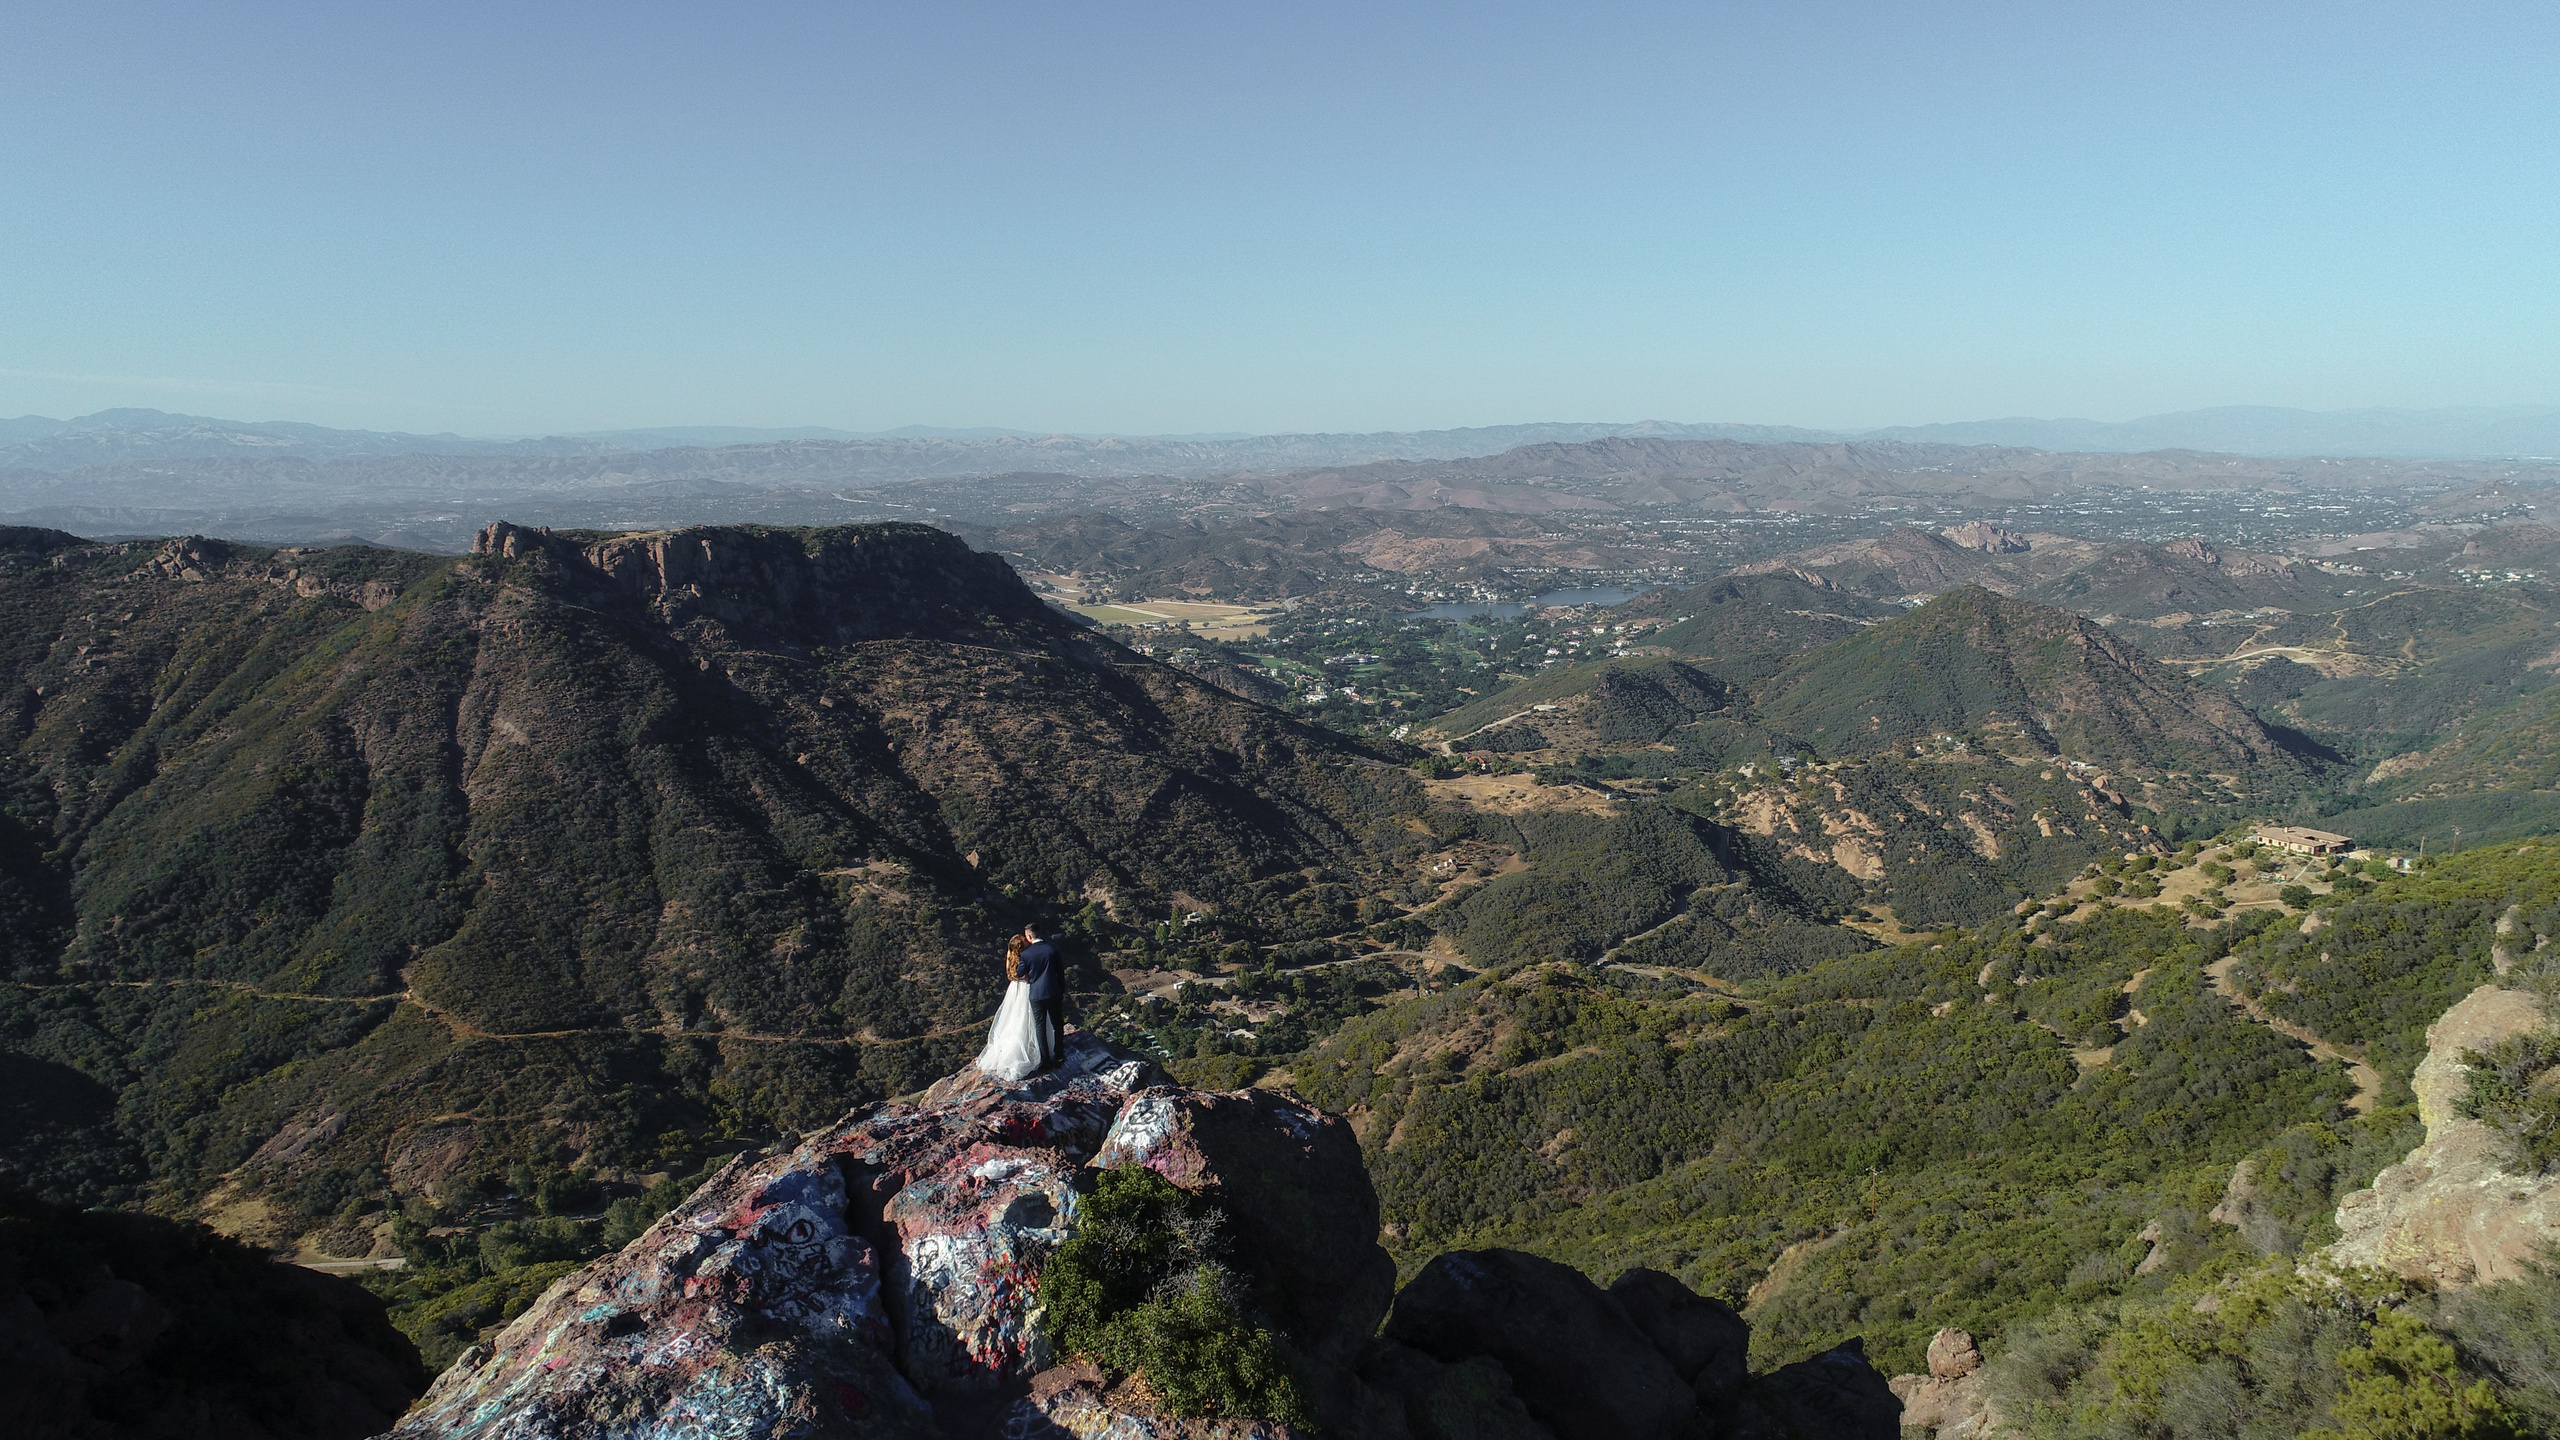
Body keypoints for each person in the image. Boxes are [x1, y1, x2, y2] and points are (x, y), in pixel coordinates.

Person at [973, 934, 1042, 1082]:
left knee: (1014, 1018)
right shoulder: (1026, 959)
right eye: (1025, 940)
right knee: (1026, 1017)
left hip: (1015, 989)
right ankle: (1026, 1049)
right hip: (1026, 988)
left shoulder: (1012, 959)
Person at [1016, 920, 1065, 1072]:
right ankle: (1059, 1055)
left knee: (1040, 1026)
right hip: (1053, 991)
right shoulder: (1052, 949)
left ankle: (1045, 1060)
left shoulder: (1026, 954)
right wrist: (1061, 990)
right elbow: (1060, 972)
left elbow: (1019, 973)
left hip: (1036, 993)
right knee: (1057, 1024)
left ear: (1029, 936)